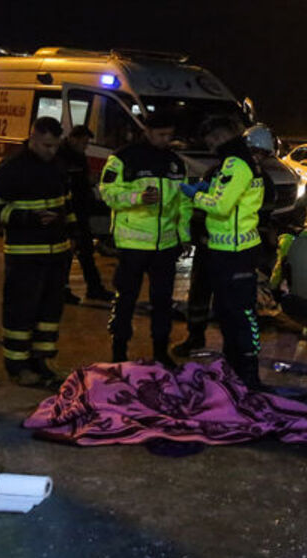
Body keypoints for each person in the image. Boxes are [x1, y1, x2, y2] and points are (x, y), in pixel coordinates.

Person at [0, 117, 75, 387]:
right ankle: (17, 366)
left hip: (57, 253)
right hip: (25, 254)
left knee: (49, 314)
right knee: (21, 312)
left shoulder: (57, 165)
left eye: (55, 146)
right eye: (46, 146)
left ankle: (42, 362)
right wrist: (27, 218)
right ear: (32, 138)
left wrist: (73, 232)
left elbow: (66, 202)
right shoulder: (13, 167)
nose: (51, 151)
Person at [173, 123, 283, 359]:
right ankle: (198, 337)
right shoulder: (223, 170)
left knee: (235, 308)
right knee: (203, 295)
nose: (258, 158)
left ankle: (241, 358)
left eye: (262, 155)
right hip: (213, 244)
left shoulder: (243, 170)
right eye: (256, 152)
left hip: (234, 249)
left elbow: (246, 214)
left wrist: (197, 195)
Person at [98, 112, 190, 367]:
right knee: (126, 299)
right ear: (147, 131)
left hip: (166, 246)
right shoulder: (124, 158)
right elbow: (107, 193)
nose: (166, 139)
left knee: (162, 302)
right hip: (133, 245)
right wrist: (138, 198)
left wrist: (184, 237)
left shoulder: (175, 162)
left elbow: (182, 204)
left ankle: (161, 351)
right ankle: (119, 351)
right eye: (161, 134)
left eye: (170, 135)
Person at [180, 116, 266, 389]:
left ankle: (249, 375)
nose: (212, 145)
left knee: (241, 315)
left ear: (228, 136)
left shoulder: (237, 164)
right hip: (225, 250)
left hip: (236, 252)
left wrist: (195, 195)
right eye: (209, 141)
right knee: (227, 314)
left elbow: (221, 207)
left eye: (215, 139)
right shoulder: (235, 162)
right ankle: (235, 371)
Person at [57, 125, 114, 303]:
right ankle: (63, 289)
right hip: (68, 210)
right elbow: (66, 183)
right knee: (68, 252)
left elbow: (81, 180)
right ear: (73, 138)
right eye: (83, 142)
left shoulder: (78, 156)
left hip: (80, 209)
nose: (86, 146)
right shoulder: (62, 155)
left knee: (86, 251)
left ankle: (94, 288)